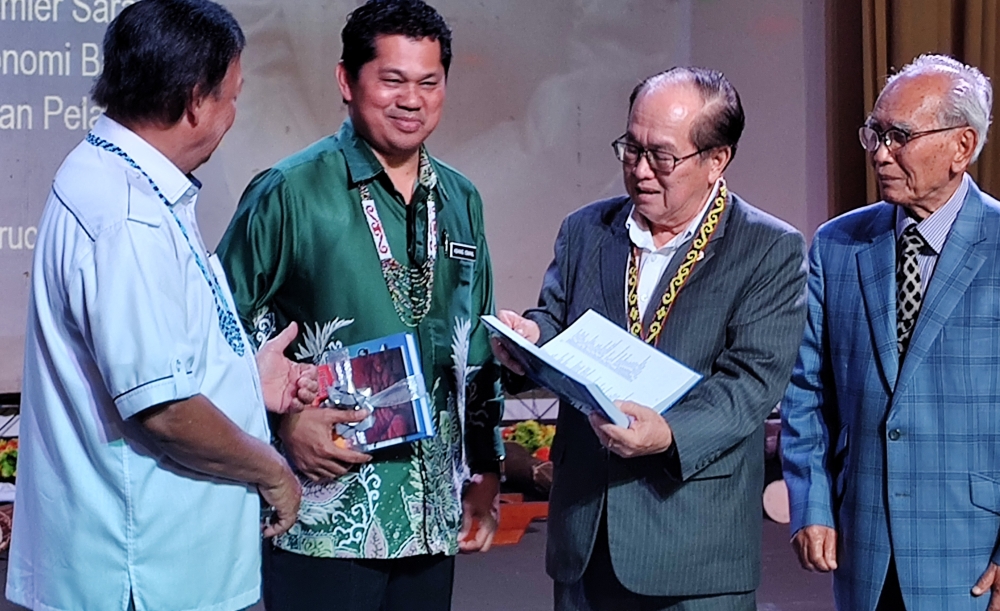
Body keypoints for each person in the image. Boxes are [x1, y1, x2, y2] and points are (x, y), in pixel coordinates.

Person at [6, 1, 320, 610]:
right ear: (196, 99)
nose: (233, 114)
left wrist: (243, 384)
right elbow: (166, 411)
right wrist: (273, 469)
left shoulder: (114, 180)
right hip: (146, 576)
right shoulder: (128, 215)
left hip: (144, 568)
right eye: (232, 96)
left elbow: (153, 366)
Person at [216, 1, 504, 609]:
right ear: (347, 80)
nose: (412, 99)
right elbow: (215, 335)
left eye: (429, 82)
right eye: (392, 80)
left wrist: (487, 468)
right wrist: (283, 427)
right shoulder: (289, 191)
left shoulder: (461, 199)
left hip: (431, 517)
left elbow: (476, 346)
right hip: (325, 516)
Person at [493, 67, 807, 611]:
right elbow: (556, 320)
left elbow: (752, 382)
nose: (639, 170)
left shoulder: (767, 248)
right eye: (629, 149)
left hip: (694, 544)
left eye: (661, 156)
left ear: (716, 160)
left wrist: (668, 433)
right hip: (585, 534)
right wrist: (528, 338)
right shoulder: (586, 230)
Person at [782, 54, 1000, 611]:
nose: (880, 153)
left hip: (972, 557)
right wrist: (812, 506)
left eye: (899, 136)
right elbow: (806, 392)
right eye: (875, 132)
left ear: (962, 146)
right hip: (865, 553)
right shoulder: (838, 245)